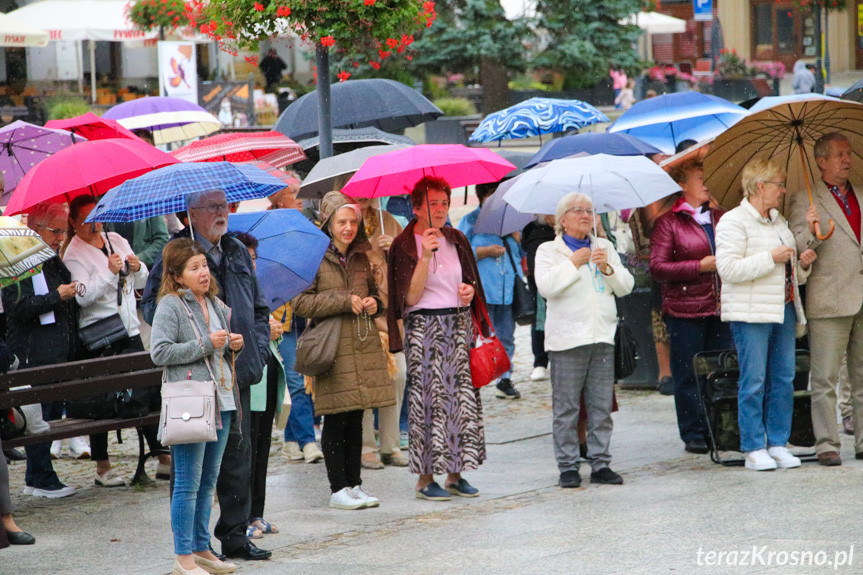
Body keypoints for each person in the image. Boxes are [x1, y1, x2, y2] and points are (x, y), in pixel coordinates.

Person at [142, 190, 272, 561]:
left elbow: (258, 308)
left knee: (234, 459)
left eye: (224, 206)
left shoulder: (234, 248)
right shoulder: (176, 252)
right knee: (191, 470)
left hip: (235, 372)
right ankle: (189, 547)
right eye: (213, 207)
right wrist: (200, 336)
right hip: (194, 383)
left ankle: (233, 535)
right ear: (192, 213)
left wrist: (256, 349)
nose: (222, 213)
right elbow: (154, 307)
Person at [387, 176, 489, 501]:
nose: (441, 209)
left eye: (444, 202)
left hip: (457, 325)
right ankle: (425, 478)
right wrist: (426, 256)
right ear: (416, 207)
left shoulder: (456, 238)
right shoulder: (404, 245)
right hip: (423, 328)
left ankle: (456, 474)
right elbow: (409, 298)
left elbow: (470, 283)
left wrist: (468, 291)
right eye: (433, 204)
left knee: (460, 400)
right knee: (427, 402)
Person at [291, 192, 395, 510]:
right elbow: (301, 302)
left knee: (356, 416)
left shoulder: (362, 258)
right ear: (329, 224)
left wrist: (373, 303)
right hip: (332, 348)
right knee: (336, 418)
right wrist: (341, 301)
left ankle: (355, 484)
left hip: (361, 345)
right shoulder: (313, 256)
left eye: (353, 221)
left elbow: (379, 298)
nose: (348, 227)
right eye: (342, 222)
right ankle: (338, 488)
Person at [716, 158, 817, 471]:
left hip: (783, 308)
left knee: (784, 379)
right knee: (754, 380)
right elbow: (727, 269)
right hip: (750, 315)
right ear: (760, 187)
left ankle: (777, 442)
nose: (783, 190)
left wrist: (802, 264)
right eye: (778, 184)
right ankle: (753, 446)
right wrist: (769, 257)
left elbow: (788, 271)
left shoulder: (779, 221)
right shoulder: (733, 221)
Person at [62, 195, 170, 487]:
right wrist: (110, 273)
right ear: (73, 222)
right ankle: (102, 466)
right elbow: (83, 297)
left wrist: (136, 268)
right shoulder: (73, 253)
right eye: (85, 220)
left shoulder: (116, 239)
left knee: (145, 391)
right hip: (100, 335)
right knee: (102, 401)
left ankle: (162, 457)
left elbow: (141, 281)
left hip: (129, 328)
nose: (93, 225)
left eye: (96, 217)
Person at [150, 238, 241, 575]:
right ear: (176, 276)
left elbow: (216, 350)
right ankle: (183, 556)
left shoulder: (214, 303)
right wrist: (206, 343)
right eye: (194, 268)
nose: (203, 272)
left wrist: (233, 345)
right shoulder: (170, 306)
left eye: (204, 264)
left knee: (208, 480)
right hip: (190, 400)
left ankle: (202, 546)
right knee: (187, 482)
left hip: (222, 398)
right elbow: (159, 352)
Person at [535, 193, 634, 488]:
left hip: (602, 336)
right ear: (562, 219)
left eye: (590, 211)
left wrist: (607, 268)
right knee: (566, 408)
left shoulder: (603, 247)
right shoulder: (548, 250)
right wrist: (574, 263)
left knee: (601, 406)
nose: (585, 215)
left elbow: (626, 286)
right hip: (566, 340)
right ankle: (567, 466)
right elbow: (546, 287)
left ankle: (601, 463)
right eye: (577, 210)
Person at [787, 132, 863, 466]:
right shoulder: (806, 198)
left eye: (849, 154)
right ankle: (827, 443)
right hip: (829, 299)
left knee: (861, 377)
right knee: (825, 378)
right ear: (821, 161)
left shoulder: (860, 193)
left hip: (861, 297)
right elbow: (797, 246)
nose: (847, 160)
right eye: (839, 155)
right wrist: (812, 232)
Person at [650, 161, 732, 454]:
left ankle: (719, 427)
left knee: (720, 372)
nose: (707, 182)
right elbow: (658, 268)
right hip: (685, 310)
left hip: (720, 308)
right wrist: (698, 266)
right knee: (687, 374)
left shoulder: (722, 216)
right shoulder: (668, 222)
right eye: (701, 178)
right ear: (683, 185)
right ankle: (694, 431)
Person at [2, 203, 78, 498]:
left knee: (50, 414)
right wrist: (55, 297)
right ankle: (42, 477)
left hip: (55, 347)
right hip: (32, 349)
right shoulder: (17, 257)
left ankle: (38, 475)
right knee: (38, 417)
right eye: (56, 231)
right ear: (35, 229)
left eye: (64, 231)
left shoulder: (49, 257)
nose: (61, 237)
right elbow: (16, 307)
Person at [231, 231, 286, 539]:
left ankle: (258, 512)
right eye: (247, 257)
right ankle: (244, 515)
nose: (252, 263)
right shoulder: (232, 287)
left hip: (267, 371)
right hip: (248, 375)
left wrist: (269, 328)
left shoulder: (256, 286)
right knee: (246, 449)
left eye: (254, 257)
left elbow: (262, 318)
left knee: (263, 446)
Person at [349, 196, 408, 470]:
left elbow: (411, 267)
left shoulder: (388, 221)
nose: (361, 201)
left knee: (397, 375)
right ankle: (365, 446)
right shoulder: (345, 224)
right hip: (358, 317)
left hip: (388, 319)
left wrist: (393, 250)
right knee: (364, 383)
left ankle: (390, 443)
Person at [457, 182, 523, 399]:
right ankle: (474, 375)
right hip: (482, 290)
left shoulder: (511, 222)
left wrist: (517, 237)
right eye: (491, 197)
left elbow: (522, 253)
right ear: (481, 196)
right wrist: (483, 251)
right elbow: (459, 251)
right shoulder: (470, 221)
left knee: (506, 335)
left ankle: (504, 378)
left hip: (507, 290)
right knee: (479, 336)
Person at [521, 214, 557, 382]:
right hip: (537, 276)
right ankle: (540, 361)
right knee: (539, 315)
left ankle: (554, 358)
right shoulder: (530, 227)